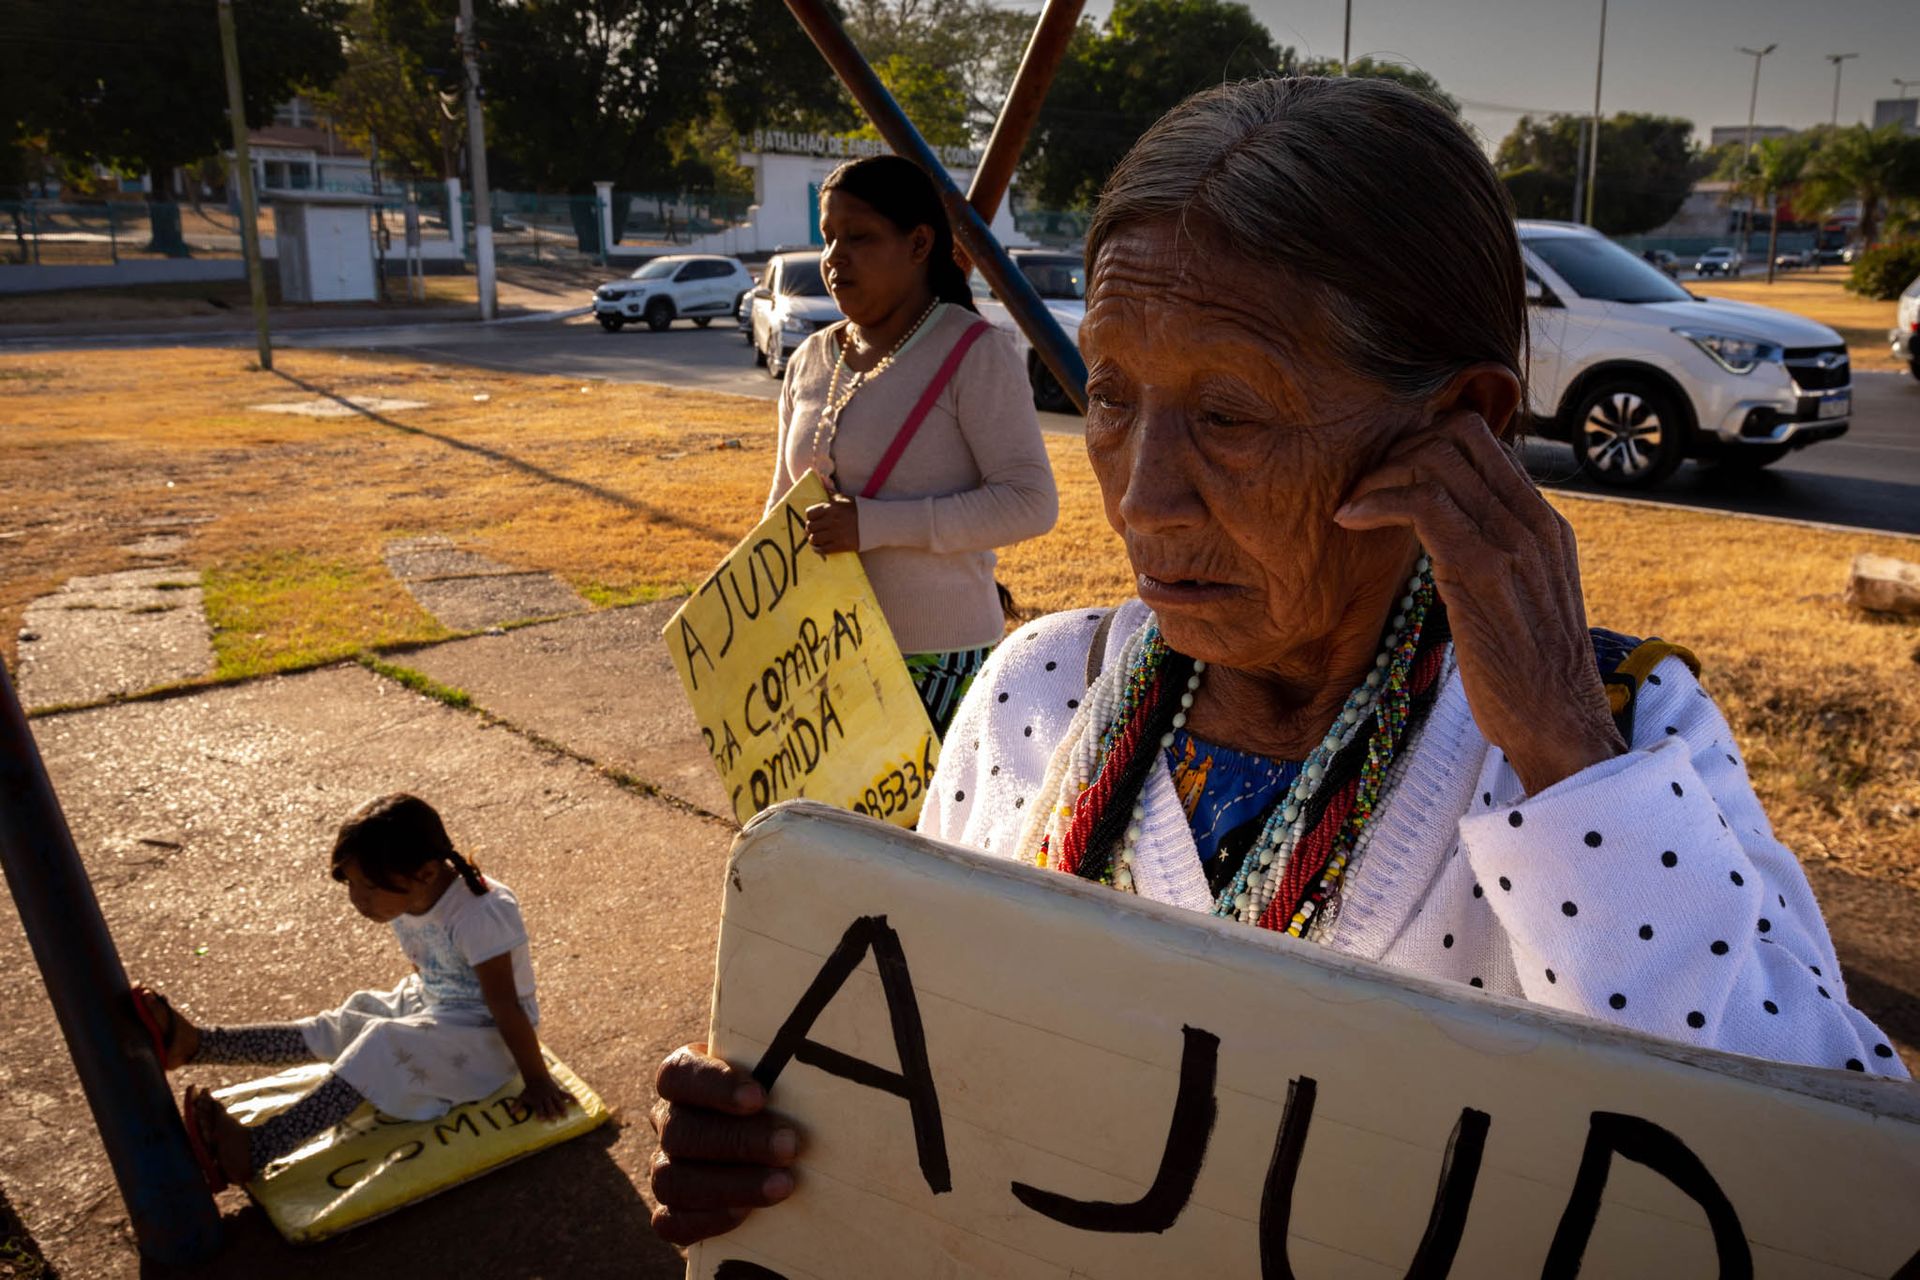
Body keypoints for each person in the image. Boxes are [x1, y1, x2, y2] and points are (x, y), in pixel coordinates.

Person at [647, 76, 1906, 1247]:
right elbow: (932, 1083)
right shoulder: (1040, 693)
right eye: (1112, 397)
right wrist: (788, 1149)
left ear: (1464, 423)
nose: (1146, 500)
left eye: (1232, 415)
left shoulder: (1623, 742)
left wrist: (1565, 751)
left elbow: (1827, 1192)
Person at [133, 793, 572, 1190]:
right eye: (351, 884)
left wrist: (536, 1080)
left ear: (425, 872)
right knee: (353, 1018)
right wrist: (416, 1015)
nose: (357, 899)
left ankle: (258, 1148)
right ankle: (199, 1045)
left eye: (368, 886)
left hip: (487, 1041)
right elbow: (426, 965)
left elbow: (505, 1004)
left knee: (380, 1045)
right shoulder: (411, 893)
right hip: (440, 1005)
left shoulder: (481, 912)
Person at [767, 154, 1058, 735]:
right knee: (830, 829)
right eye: (827, 238)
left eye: (860, 237)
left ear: (919, 243)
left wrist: (873, 525)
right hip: (824, 659)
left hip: (937, 662)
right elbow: (781, 508)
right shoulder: (809, 359)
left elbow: (1031, 502)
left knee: (922, 830)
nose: (834, 257)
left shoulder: (975, 353)